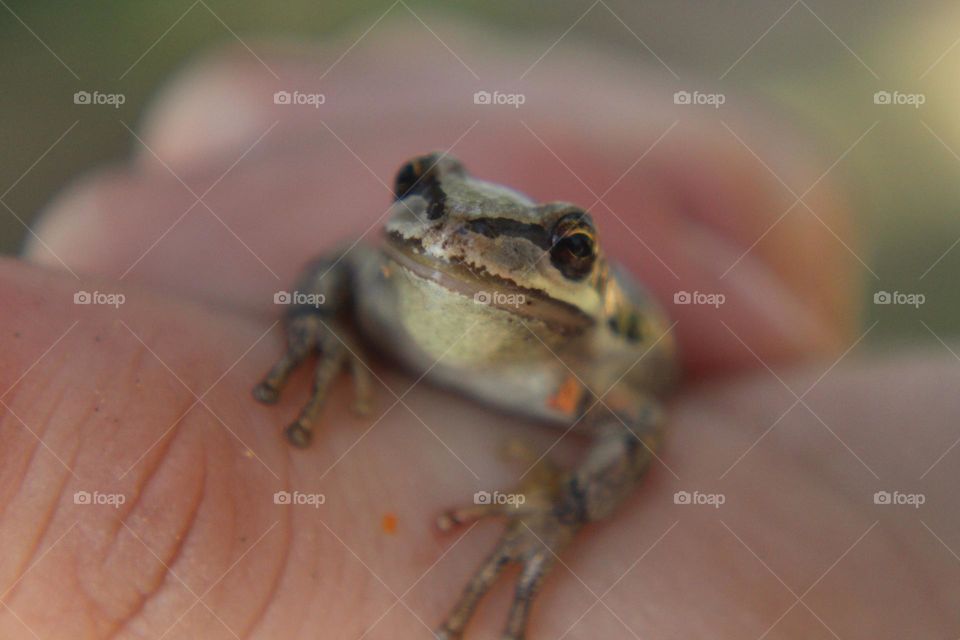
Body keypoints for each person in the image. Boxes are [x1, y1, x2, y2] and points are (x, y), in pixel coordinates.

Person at [1, 27, 955, 639]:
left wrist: (558, 512)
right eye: (419, 190)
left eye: (566, 246)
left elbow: (642, 426)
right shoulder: (382, 272)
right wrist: (315, 333)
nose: (456, 233)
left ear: (578, 266)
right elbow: (331, 270)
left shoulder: (588, 355)